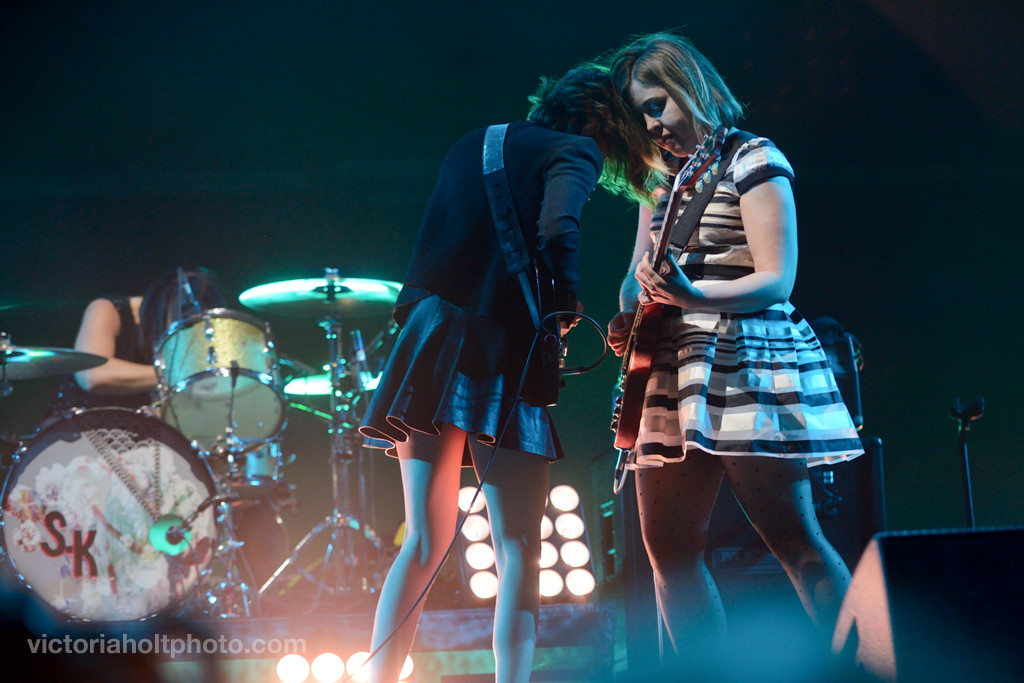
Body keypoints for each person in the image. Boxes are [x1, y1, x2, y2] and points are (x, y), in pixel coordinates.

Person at [358, 64, 657, 683]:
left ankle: (380, 675)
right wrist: (566, 308)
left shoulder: (474, 141)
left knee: (423, 540)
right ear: (599, 121)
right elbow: (558, 228)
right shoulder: (574, 150)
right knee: (520, 547)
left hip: (431, 340)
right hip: (503, 352)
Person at [604, 32, 865, 667]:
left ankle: (868, 669)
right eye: (639, 111)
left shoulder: (755, 158)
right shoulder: (656, 179)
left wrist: (692, 296)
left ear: (691, 87)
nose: (651, 123)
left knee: (794, 542)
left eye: (658, 103)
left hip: (746, 358)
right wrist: (628, 311)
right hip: (668, 371)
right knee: (668, 551)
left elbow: (778, 278)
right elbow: (634, 271)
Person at [48, 267, 226, 417]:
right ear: (161, 310)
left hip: (142, 441)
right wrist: (180, 375)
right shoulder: (109, 310)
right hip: (75, 438)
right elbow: (92, 375)